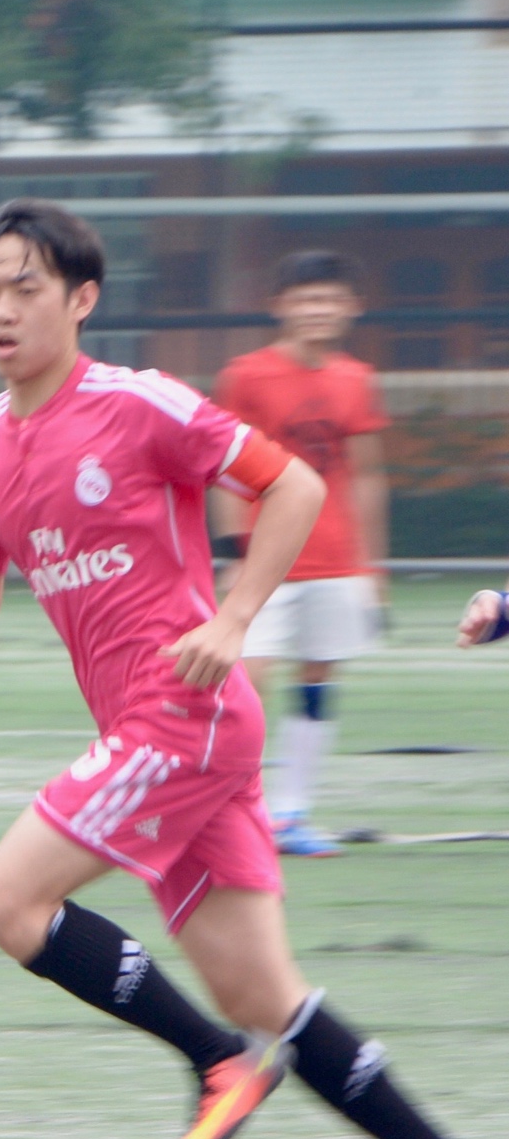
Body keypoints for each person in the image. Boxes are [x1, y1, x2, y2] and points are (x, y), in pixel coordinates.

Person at [0, 199, 498, 1139]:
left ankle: (212, 1063)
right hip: (157, 734)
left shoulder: (138, 402)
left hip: (183, 714)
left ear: (81, 299)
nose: (1, 310)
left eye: (24, 287)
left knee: (6, 899)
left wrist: (235, 616)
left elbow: (292, 483)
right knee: (264, 993)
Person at [213, 251, 389, 857]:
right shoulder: (246, 377)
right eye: (307, 298)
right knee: (244, 686)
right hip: (268, 561)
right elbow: (225, 472)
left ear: (352, 307)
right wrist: (235, 553)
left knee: (317, 682)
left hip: (336, 563)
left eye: (331, 298)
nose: (319, 309)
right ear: (280, 306)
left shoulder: (356, 378)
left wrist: (373, 566)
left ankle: (291, 814)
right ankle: (234, 811)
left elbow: (366, 476)